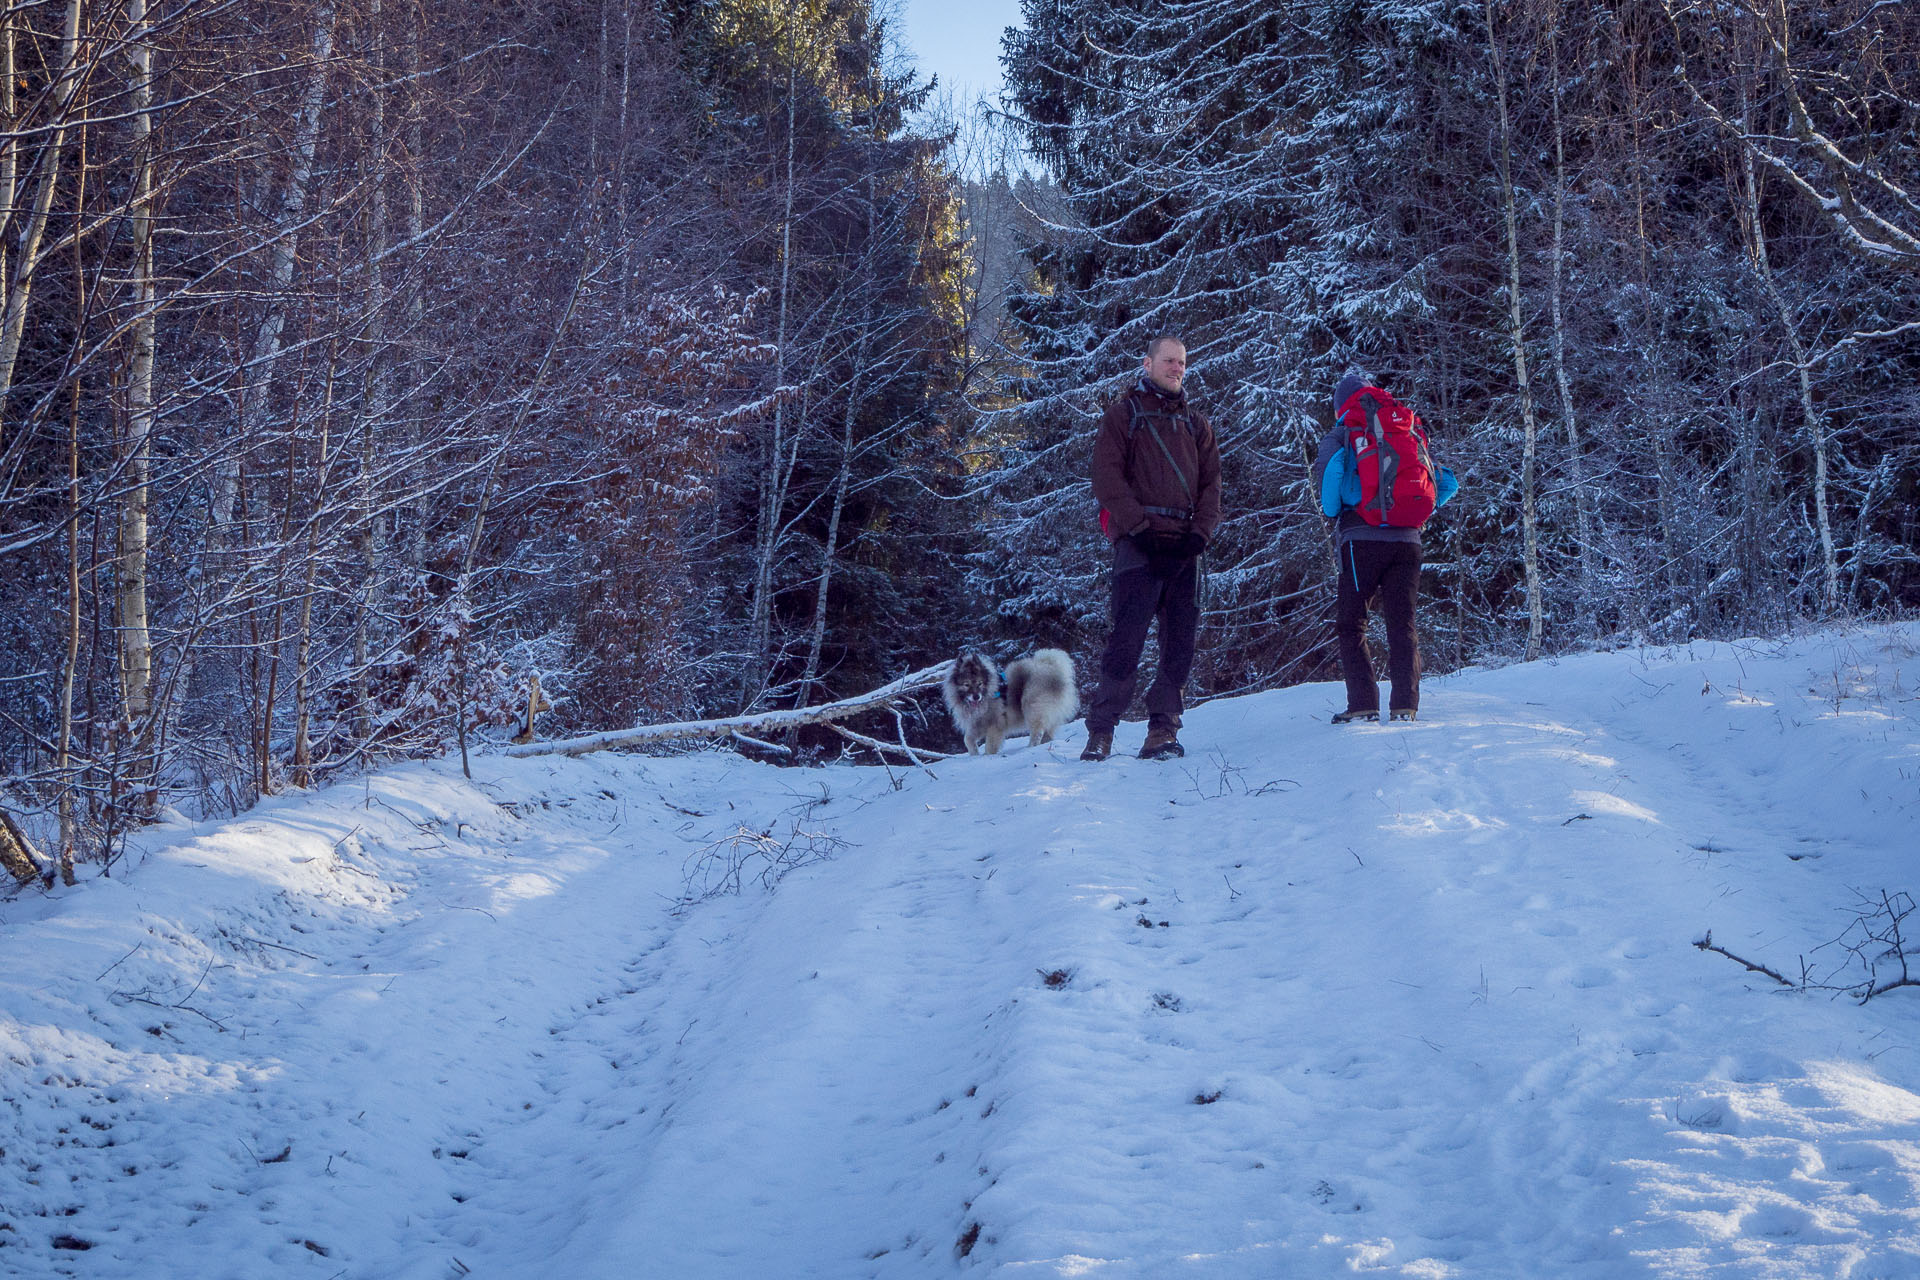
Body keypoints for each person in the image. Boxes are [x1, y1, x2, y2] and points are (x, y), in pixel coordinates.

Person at [1082, 335, 1222, 761]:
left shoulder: (1197, 425)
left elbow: (1211, 486)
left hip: (1184, 548)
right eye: (1168, 361)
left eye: (1181, 362)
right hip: (1138, 547)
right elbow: (1107, 480)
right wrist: (1139, 529)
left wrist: (1199, 534)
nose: (1176, 368)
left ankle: (1163, 729)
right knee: (1125, 641)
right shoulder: (1122, 416)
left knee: (1179, 644)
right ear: (1147, 364)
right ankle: (1101, 732)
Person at [1311, 371, 1459, 723]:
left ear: (1339, 406)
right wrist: (1410, 512)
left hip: (1360, 539)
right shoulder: (1403, 426)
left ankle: (1362, 705)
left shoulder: (1346, 430)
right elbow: (1447, 482)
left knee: (1351, 623)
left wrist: (1335, 511)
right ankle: (1405, 706)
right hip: (1408, 541)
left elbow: (1331, 472)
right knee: (1402, 623)